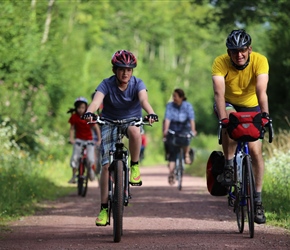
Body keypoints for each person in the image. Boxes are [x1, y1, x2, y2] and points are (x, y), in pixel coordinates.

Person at [83, 50, 158, 226]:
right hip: (108, 121)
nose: (125, 73)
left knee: (134, 131)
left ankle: (135, 166)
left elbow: (144, 101)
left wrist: (152, 113)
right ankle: (103, 209)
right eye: (121, 69)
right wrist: (89, 112)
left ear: (132, 71)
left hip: (131, 120)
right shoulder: (106, 84)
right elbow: (96, 101)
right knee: (106, 165)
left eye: (129, 69)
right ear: (114, 70)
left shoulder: (138, 83)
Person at [212, 29, 271, 224]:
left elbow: (262, 91)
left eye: (243, 50)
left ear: (249, 49)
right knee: (229, 121)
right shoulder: (220, 63)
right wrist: (222, 118)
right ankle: (229, 167)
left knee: (255, 151)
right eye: (234, 51)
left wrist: (265, 116)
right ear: (228, 52)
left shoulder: (260, 61)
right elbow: (219, 93)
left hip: (252, 104)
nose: (239, 54)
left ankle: (258, 201)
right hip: (228, 103)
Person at [163, 88, 197, 185]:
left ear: (181, 97)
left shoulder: (187, 106)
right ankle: (171, 173)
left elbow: (191, 119)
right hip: (173, 128)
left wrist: (193, 130)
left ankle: (186, 154)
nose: (174, 98)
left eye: (175, 96)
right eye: (173, 96)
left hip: (185, 128)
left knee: (187, 138)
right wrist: (166, 130)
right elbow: (167, 119)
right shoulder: (170, 106)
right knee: (172, 153)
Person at [67, 97, 101, 184]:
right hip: (78, 140)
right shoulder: (74, 117)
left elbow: (96, 127)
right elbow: (72, 128)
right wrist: (71, 139)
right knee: (75, 158)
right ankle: (74, 176)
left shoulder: (88, 116)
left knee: (90, 159)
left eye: (82, 107)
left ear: (86, 107)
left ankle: (90, 171)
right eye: (79, 108)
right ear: (76, 108)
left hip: (89, 140)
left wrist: (99, 139)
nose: (80, 110)